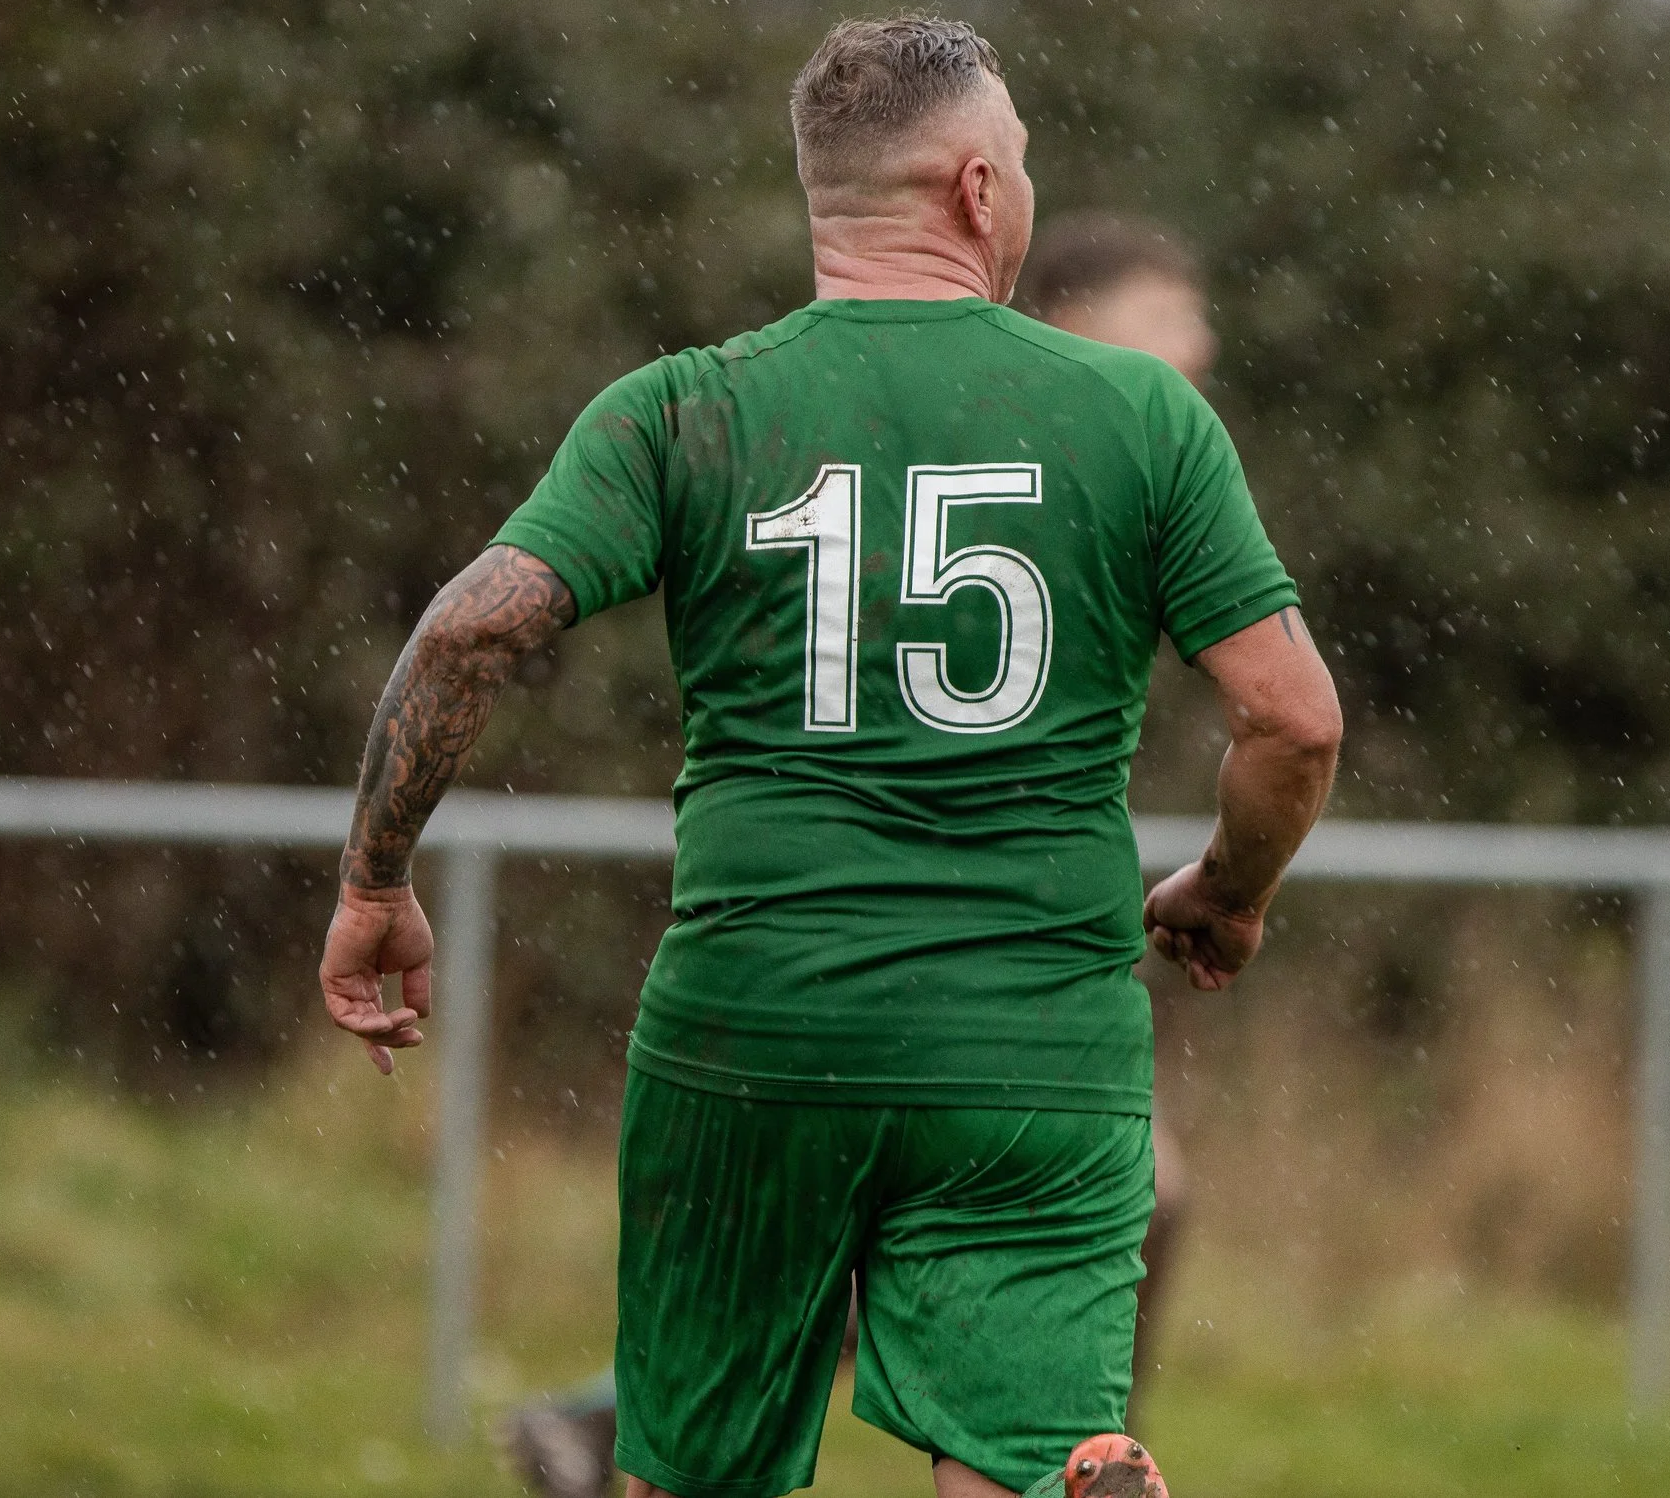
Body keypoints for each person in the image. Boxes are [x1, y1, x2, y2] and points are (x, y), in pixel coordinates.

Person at [320, 15, 1341, 1498]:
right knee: (1032, 1454)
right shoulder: (1143, 417)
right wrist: (1232, 890)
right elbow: (1292, 717)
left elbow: (469, 633)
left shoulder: (680, 411)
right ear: (982, 191)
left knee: (694, 1467)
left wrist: (374, 880)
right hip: (1034, 1049)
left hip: (754, 1031)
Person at [500, 210, 1231, 1498]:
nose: (1188, 376)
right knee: (1029, 1200)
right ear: (1053, 333)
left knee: (1111, 1197)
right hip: (913, 966)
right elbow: (1295, 717)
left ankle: (628, 1425)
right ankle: (1047, 1438)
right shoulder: (992, 454)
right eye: (1159, 347)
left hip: (903, 972)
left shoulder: (1114, 463)